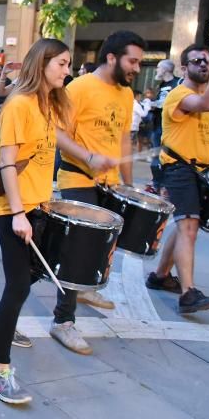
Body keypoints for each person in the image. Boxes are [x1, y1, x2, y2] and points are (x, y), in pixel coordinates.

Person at [0, 38, 71, 405]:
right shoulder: (18, 104)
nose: (68, 70)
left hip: (40, 205)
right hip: (14, 209)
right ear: (43, 63)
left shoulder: (48, 105)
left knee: (39, 270)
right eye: (63, 64)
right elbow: (7, 163)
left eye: (69, 65)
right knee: (18, 285)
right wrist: (18, 213)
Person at [52, 30, 143, 354]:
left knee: (104, 244)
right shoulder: (79, 87)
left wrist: (129, 186)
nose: (136, 67)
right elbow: (57, 134)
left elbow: (123, 141)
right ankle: (63, 320)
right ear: (111, 57)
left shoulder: (127, 94)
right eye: (132, 60)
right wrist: (88, 156)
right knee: (77, 250)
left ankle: (85, 289)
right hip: (78, 177)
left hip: (111, 182)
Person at [146, 42, 209, 314]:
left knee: (184, 223)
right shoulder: (179, 95)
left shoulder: (201, 96)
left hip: (200, 170)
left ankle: (160, 276)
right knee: (189, 227)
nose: (204, 64)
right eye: (197, 61)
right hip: (179, 168)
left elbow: (207, 139)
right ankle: (188, 294)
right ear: (184, 68)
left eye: (208, 61)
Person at [147, 58, 181, 194]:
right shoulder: (161, 85)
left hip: (168, 128)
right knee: (156, 155)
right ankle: (157, 183)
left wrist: (155, 104)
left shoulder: (178, 83)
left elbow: (173, 103)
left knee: (164, 157)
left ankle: (161, 184)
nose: (157, 70)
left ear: (166, 69)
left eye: (159, 67)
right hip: (157, 125)